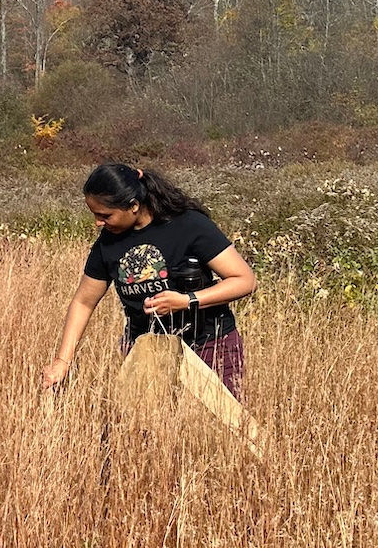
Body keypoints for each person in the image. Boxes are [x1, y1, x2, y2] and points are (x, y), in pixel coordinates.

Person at [40, 162, 257, 397]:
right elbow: (83, 302)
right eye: (94, 214)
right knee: (142, 431)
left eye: (105, 215)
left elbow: (244, 280)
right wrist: (63, 361)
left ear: (133, 205)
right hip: (145, 351)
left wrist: (187, 301)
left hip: (210, 346)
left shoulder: (188, 225)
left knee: (217, 431)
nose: (98, 223)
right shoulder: (107, 243)